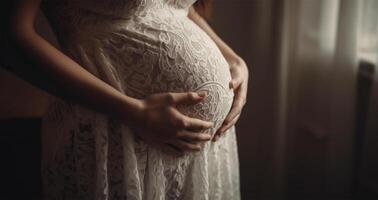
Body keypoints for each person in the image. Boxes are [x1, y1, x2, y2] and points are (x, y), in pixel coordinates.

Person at [10, 0, 249, 199]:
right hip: (114, 128)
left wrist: (233, 58)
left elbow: (176, 7)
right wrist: (133, 112)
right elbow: (12, 34)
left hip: (206, 151)